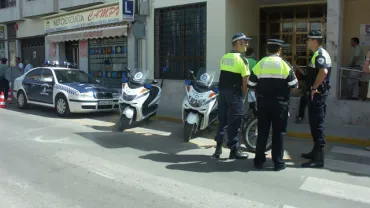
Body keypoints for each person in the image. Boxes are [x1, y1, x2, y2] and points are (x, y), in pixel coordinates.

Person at [248, 39, 298, 171]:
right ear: (279, 50)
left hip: (263, 103)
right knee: (279, 133)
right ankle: (278, 163)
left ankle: (258, 161)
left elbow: (251, 84)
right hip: (280, 104)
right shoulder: (285, 65)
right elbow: (294, 85)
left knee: (263, 132)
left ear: (267, 50)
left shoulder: (260, 63)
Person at [213, 33, 250, 159]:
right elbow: (245, 81)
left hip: (222, 92)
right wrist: (243, 97)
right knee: (234, 122)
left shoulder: (224, 57)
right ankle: (234, 150)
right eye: (245, 42)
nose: (247, 44)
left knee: (222, 121)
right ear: (238, 43)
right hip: (234, 94)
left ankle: (218, 148)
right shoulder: (242, 59)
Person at [301, 30, 332, 168]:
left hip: (318, 95)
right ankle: (315, 152)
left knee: (318, 125)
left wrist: (314, 87)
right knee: (314, 124)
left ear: (314, 41)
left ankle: (319, 158)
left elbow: (323, 71)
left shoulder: (320, 54)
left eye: (308, 40)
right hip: (316, 95)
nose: (307, 42)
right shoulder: (317, 54)